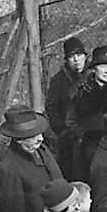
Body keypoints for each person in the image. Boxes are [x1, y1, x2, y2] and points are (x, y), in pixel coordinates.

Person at [67, 45, 107, 181]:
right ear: (94, 68)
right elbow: (71, 121)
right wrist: (84, 136)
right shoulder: (81, 92)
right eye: (102, 66)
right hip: (90, 146)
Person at [46, 37, 87, 177]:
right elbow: (51, 108)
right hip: (69, 138)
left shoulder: (94, 75)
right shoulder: (58, 80)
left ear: (85, 56)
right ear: (66, 59)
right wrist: (62, 129)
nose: (76, 60)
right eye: (71, 56)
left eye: (79, 55)